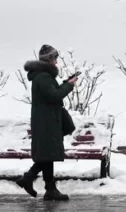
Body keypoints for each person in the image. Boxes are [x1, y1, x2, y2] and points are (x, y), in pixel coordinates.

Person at [15, 44, 78, 202]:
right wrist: (69, 86)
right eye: (55, 58)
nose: (56, 62)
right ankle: (32, 180)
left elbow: (51, 93)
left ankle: (48, 188)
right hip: (46, 122)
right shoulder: (43, 76)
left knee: (47, 155)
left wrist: (64, 83)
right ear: (49, 59)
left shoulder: (43, 76)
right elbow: (54, 96)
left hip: (46, 120)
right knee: (46, 155)